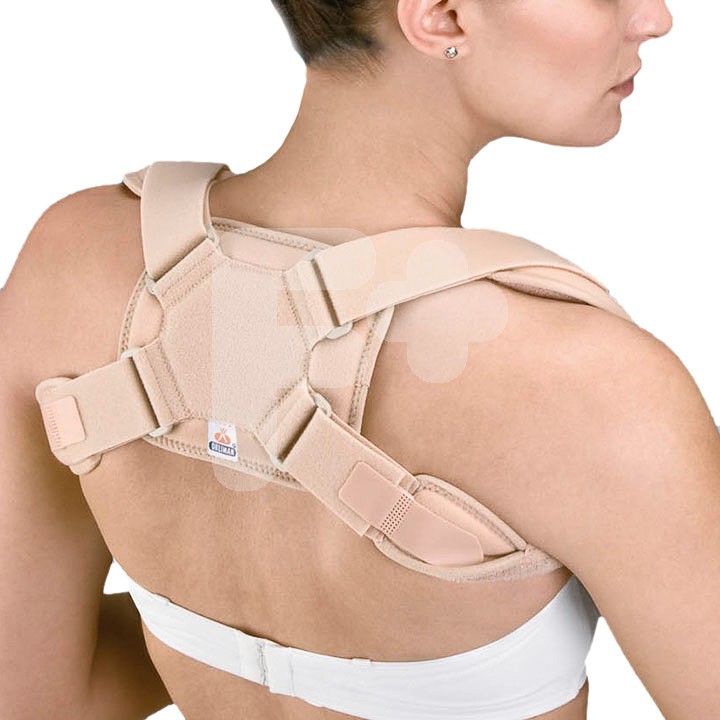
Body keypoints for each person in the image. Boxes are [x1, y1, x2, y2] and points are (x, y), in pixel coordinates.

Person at [8, 2, 720, 720]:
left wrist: (199, 614)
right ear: (441, 16)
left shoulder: (68, 262)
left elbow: (41, 699)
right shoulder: (591, 390)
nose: (653, 18)